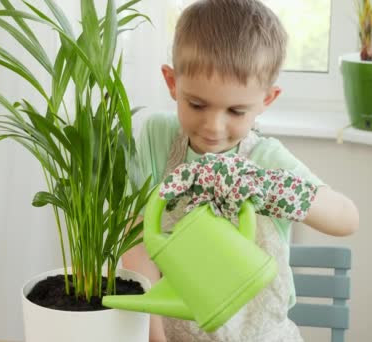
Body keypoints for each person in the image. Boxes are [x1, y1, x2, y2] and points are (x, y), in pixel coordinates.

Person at [123, 0, 359, 341]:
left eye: (235, 111)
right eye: (197, 104)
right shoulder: (158, 138)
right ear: (172, 82)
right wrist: (154, 337)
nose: (214, 127)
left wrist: (268, 189)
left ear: (267, 99)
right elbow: (137, 240)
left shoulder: (265, 158)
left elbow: (347, 218)